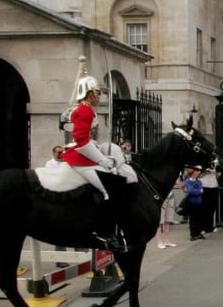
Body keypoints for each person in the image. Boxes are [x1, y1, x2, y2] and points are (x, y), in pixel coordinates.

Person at [60, 63, 138, 252]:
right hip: (80, 157)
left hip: (83, 154)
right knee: (110, 189)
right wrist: (102, 160)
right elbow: (81, 142)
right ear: (89, 93)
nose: (99, 96)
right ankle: (104, 232)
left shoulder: (83, 110)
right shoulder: (84, 111)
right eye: (97, 93)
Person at [156, 173, 181, 249]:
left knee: (168, 220)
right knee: (161, 221)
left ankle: (166, 240)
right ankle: (160, 242)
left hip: (170, 195)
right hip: (161, 196)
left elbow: (177, 183)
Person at [183, 166, 207, 241]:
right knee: (193, 219)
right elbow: (190, 191)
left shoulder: (199, 181)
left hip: (199, 202)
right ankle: (193, 234)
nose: (198, 173)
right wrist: (199, 191)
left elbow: (200, 190)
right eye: (196, 171)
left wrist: (197, 191)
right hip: (191, 202)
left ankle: (199, 232)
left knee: (199, 218)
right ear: (193, 172)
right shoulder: (187, 181)